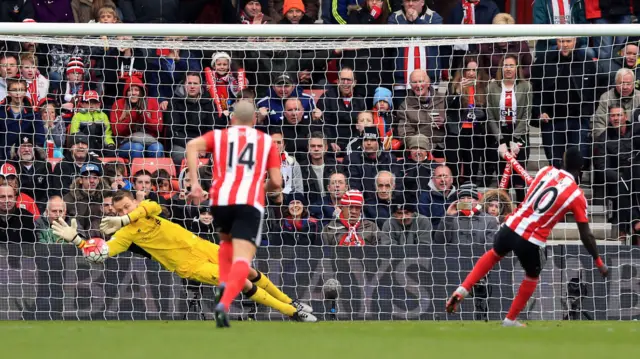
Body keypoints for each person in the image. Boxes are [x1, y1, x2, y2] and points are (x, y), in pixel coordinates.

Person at [51, 191, 316, 324]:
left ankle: (292, 302)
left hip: (202, 246)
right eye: (118, 209)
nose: (124, 210)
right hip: (190, 265)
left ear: (133, 203)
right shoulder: (125, 236)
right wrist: (76, 239)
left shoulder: (148, 210)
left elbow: (152, 205)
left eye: (126, 206)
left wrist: (125, 217)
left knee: (248, 271)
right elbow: (100, 255)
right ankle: (292, 312)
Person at [445, 148, 609, 327]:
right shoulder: (577, 195)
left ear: (562, 161)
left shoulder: (546, 171)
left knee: (494, 254)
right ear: (582, 167)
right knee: (532, 276)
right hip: (531, 238)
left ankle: (463, 289)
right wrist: (598, 260)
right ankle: (510, 319)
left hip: (511, 226)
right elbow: (585, 233)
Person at [183, 100, 300, 328]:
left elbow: (190, 146)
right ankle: (224, 302)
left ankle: (223, 289)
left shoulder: (220, 136)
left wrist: (196, 184)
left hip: (221, 201)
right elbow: (276, 182)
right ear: (255, 120)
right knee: (242, 259)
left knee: (226, 246)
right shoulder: (265, 142)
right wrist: (261, 188)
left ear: (232, 119)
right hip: (247, 203)